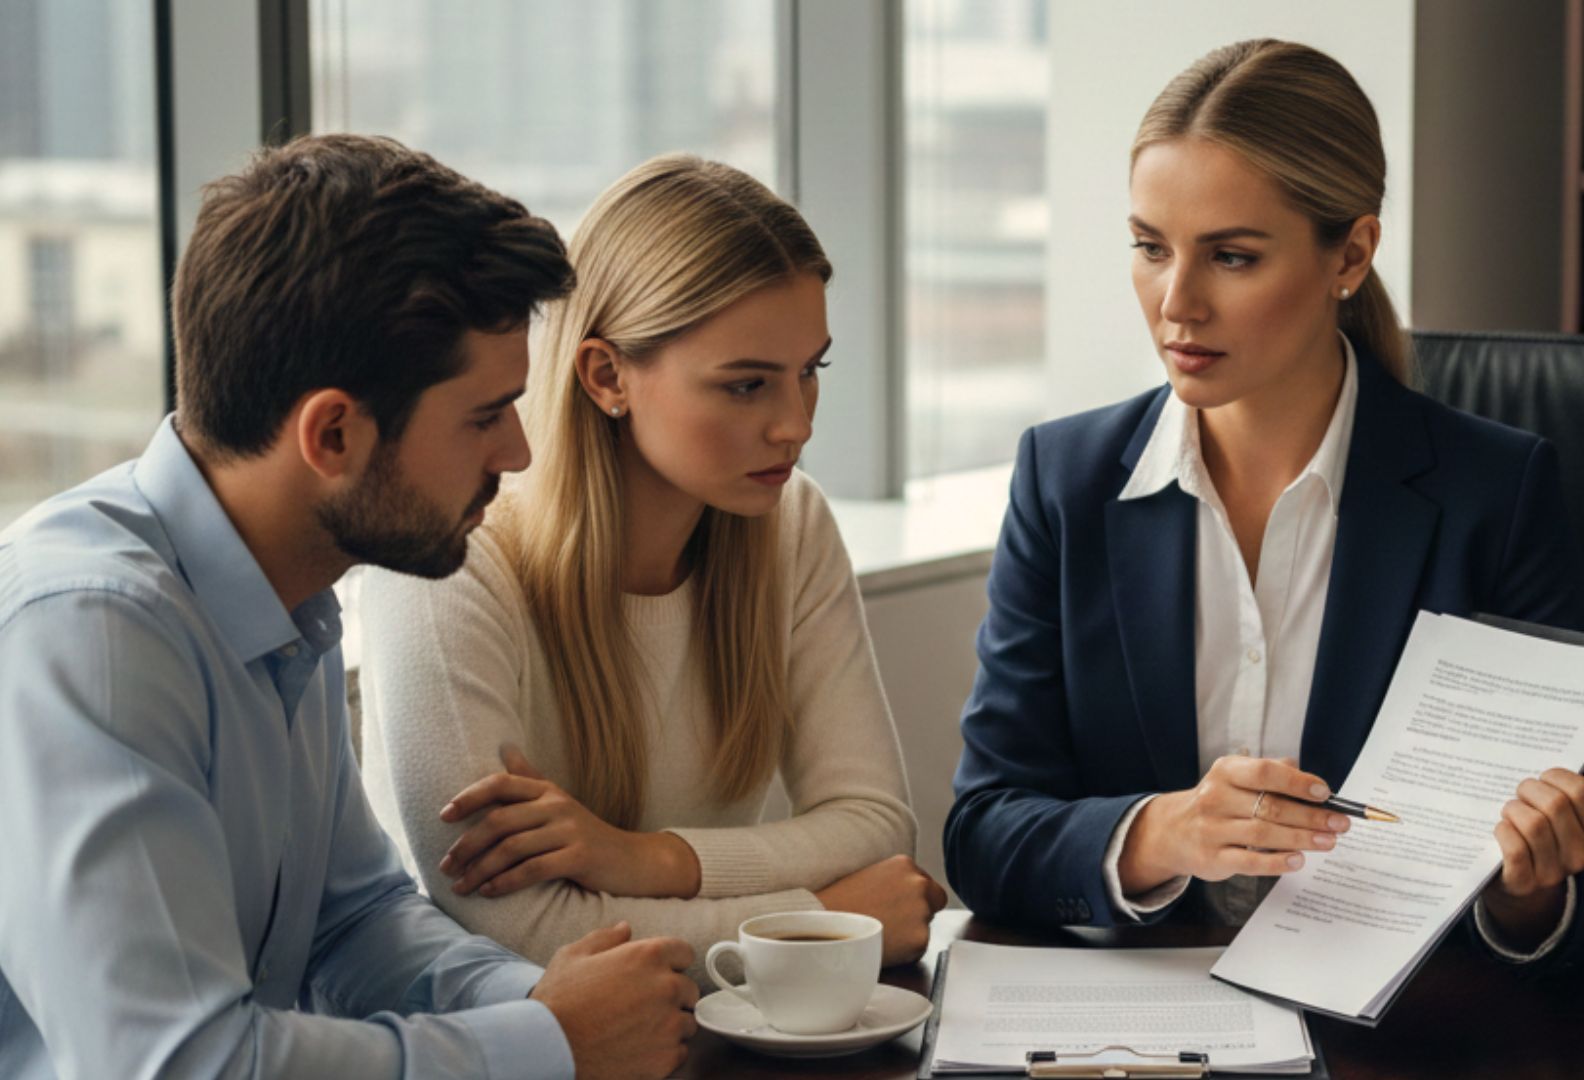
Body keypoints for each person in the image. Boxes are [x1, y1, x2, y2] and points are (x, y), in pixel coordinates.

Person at [0, 134, 701, 1080]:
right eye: (486, 415)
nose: (520, 454)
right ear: (332, 433)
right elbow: (175, 1066)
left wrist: (538, 1004)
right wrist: (551, 1045)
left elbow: (352, 921)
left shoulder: (292, 591)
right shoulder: (93, 634)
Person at [944, 39, 1584, 966]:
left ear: (1351, 252)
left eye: (1231, 256)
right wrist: (1164, 833)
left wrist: (1530, 888)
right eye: (1150, 249)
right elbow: (983, 831)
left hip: (1388, 1034)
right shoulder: (1065, 481)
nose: (1175, 304)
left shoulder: (1493, 495)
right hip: (1135, 1030)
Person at [357, 153, 943, 988]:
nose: (793, 427)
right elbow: (512, 928)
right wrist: (823, 925)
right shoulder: (453, 561)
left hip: (707, 1039)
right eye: (745, 386)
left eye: (810, 372)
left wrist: (640, 859)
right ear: (606, 377)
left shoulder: (790, 522)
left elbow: (877, 827)